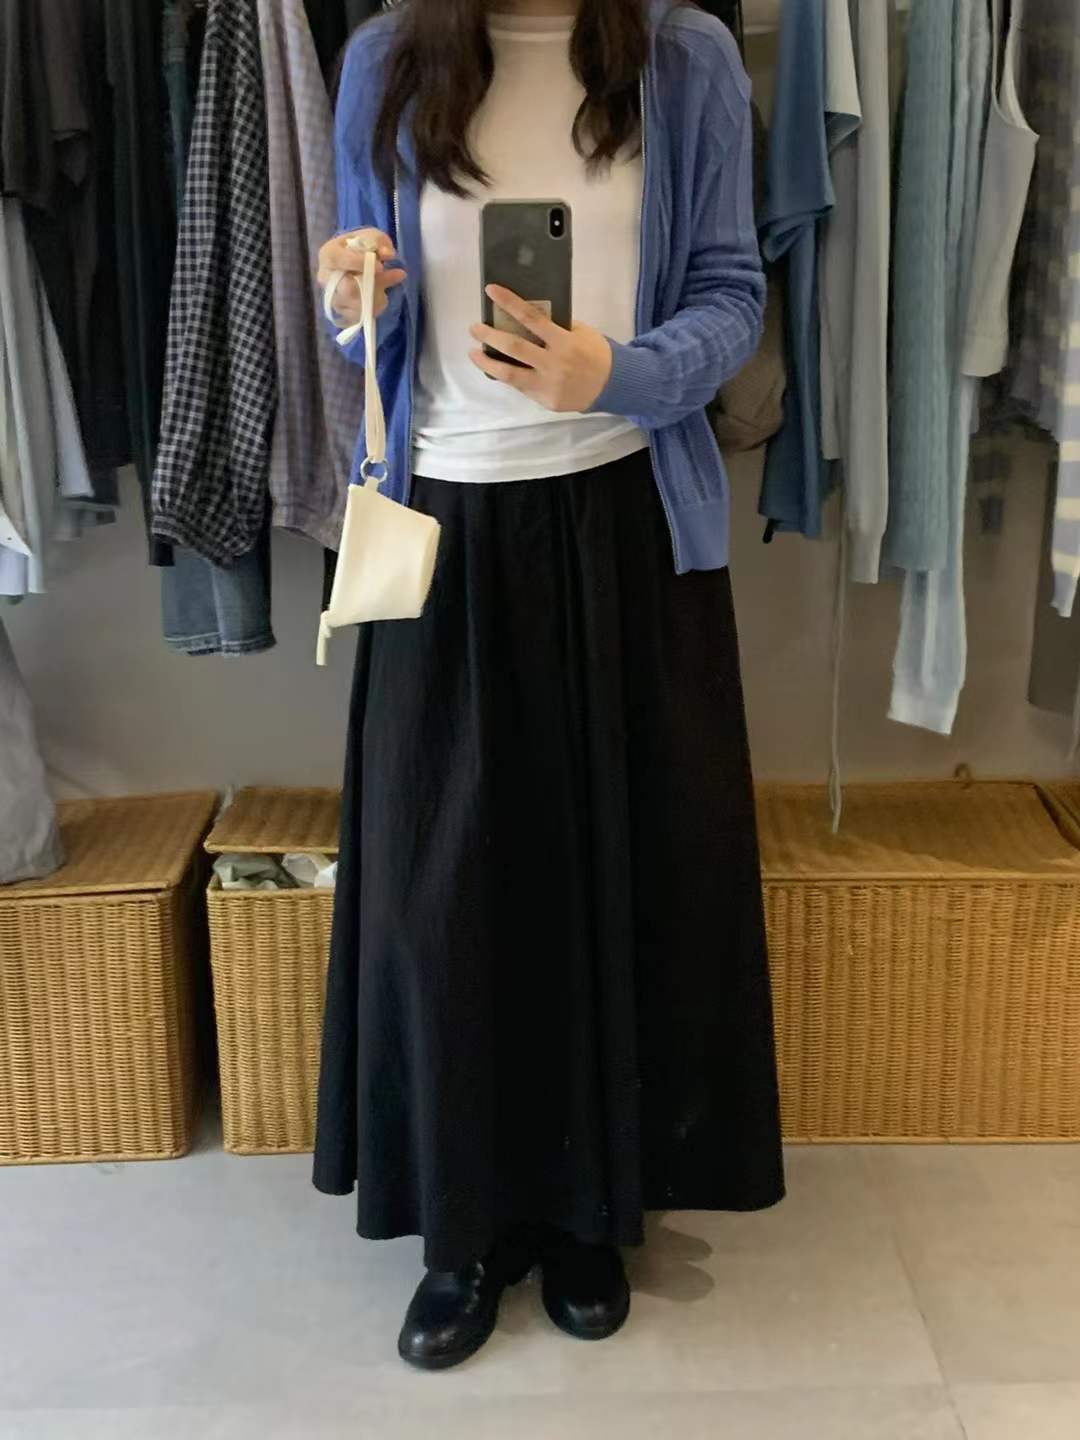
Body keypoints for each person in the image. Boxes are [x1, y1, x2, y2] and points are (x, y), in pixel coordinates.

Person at [313, 0, 784, 1372]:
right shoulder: (385, 61)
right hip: (444, 529)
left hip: (621, 525)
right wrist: (357, 297)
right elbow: (362, 323)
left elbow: (734, 293)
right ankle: (463, 1227)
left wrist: (616, 371)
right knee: (442, 895)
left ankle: (590, 1216)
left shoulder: (682, 58)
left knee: (613, 874)